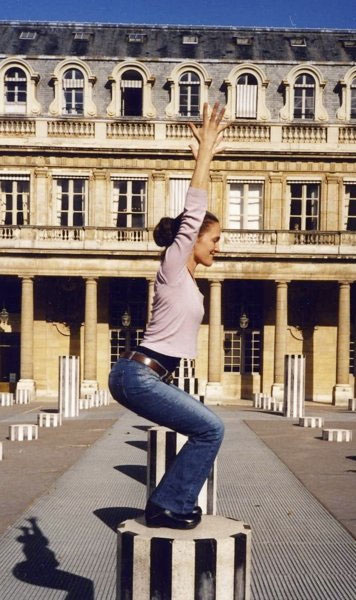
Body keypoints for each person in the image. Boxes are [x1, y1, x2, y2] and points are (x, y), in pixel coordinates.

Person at [109, 102, 229, 529]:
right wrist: (205, 157)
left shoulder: (188, 281)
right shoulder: (173, 265)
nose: (218, 246)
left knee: (206, 428)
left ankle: (170, 501)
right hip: (136, 374)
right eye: (214, 239)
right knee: (211, 429)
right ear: (190, 238)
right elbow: (194, 206)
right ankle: (169, 504)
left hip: (147, 375)